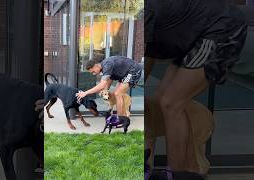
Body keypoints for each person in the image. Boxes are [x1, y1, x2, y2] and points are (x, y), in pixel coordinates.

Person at [145, 0, 247, 179]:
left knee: (171, 103)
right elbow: (147, 55)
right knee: (164, 96)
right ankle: (192, 171)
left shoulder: (141, 11)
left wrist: (130, 97)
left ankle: (176, 175)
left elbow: (141, 60)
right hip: (194, 35)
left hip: (220, 29)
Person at [76, 56, 142, 116]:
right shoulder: (104, 66)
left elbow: (101, 85)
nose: (94, 74)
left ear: (96, 65)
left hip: (133, 70)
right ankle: (124, 114)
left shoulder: (107, 65)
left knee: (118, 94)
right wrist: (106, 90)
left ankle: (121, 119)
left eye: (93, 71)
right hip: (125, 74)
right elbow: (109, 79)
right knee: (118, 94)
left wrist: (85, 93)